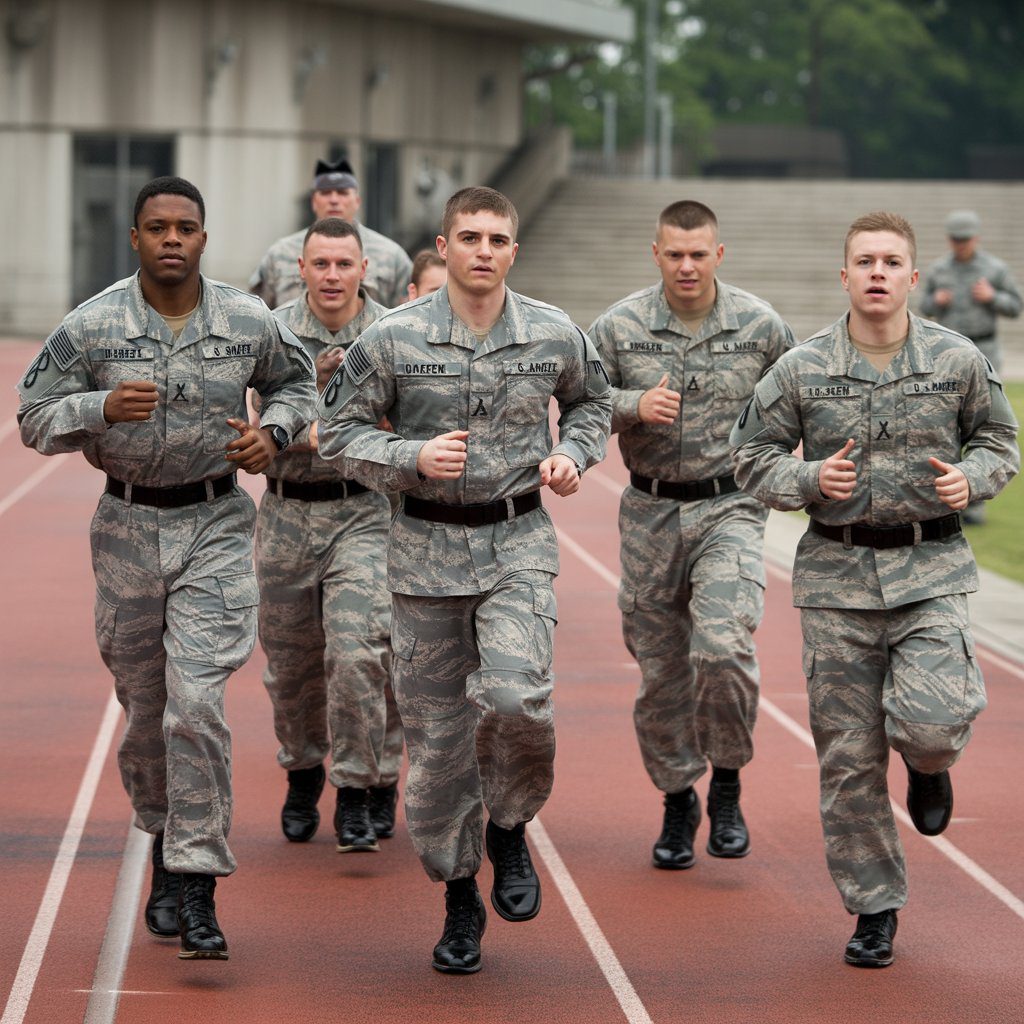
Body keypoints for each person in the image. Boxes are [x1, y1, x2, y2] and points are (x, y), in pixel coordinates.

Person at [17, 177, 318, 961]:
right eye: (158, 228)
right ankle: (160, 838)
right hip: (125, 531)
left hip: (215, 525)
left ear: (205, 240)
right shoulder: (92, 326)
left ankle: (198, 881)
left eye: (186, 227)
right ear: (136, 239)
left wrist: (275, 433)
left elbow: (299, 384)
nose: (173, 239)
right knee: (146, 713)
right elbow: (32, 417)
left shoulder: (248, 320)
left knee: (198, 706)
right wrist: (98, 410)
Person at [316, 186, 610, 975]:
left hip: (517, 545)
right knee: (441, 746)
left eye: (497, 238)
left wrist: (571, 456)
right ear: (442, 248)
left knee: (517, 698)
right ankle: (458, 898)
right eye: (469, 237)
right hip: (422, 557)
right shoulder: (391, 338)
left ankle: (509, 827)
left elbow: (592, 406)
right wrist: (409, 457)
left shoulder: (553, 332)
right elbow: (336, 438)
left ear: (515, 250)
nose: (483, 250)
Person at [730, 211, 1019, 968]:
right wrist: (805, 478)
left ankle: (929, 765)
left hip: (931, 573)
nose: (879, 272)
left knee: (930, 722)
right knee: (849, 760)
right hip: (836, 582)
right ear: (846, 275)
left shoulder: (956, 360)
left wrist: (975, 478)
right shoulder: (802, 366)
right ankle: (874, 904)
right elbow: (751, 457)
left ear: (913, 278)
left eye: (893, 261)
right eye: (866, 261)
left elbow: (998, 440)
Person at [589, 200, 794, 872]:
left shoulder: (762, 327)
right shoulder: (618, 328)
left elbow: (801, 406)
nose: (686, 265)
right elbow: (581, 405)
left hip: (730, 508)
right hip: (648, 514)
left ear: (718, 255)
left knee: (723, 645)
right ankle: (679, 796)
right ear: (656, 253)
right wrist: (632, 405)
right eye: (674, 253)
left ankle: (727, 781)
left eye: (698, 253)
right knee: (662, 673)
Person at [256, 217, 397, 851]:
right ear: (302, 269)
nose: (333, 276)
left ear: (364, 267)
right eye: (321, 264)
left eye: (345, 264)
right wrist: (307, 393)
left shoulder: (398, 333)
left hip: (364, 511)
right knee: (291, 667)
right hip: (287, 512)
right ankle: (303, 767)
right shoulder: (271, 333)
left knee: (358, 650)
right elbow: (252, 424)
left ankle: (359, 787)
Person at [920, 210, 1022, 523]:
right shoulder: (938, 269)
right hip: (948, 355)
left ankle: (975, 499)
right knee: (947, 424)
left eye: (965, 239)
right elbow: (922, 306)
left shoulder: (994, 269)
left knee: (983, 427)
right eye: (955, 239)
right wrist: (936, 301)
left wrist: (993, 297)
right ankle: (946, 497)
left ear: (975, 238)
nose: (960, 244)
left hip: (985, 350)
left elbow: (1015, 306)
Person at [249, 158, 412, 309]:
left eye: (342, 193)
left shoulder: (392, 256)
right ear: (314, 201)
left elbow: (407, 313)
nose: (334, 200)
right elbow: (257, 314)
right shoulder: (280, 253)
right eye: (326, 192)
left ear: (357, 201)